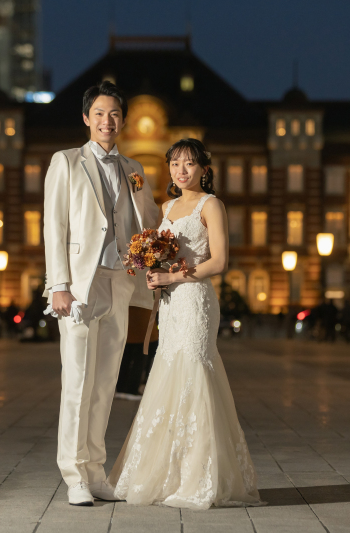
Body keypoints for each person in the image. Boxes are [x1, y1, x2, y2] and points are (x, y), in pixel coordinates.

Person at [109, 138, 263, 509]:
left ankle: (201, 477)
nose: (181, 170)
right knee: (168, 374)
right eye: (175, 163)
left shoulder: (212, 205)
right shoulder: (167, 206)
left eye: (190, 164)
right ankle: (168, 475)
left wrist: (172, 278)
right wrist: (154, 271)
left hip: (195, 301)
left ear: (204, 170)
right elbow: (166, 257)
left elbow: (219, 261)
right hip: (171, 305)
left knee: (195, 371)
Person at [42, 81, 159, 506]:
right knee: (76, 383)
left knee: (105, 383)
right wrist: (59, 285)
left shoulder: (133, 168)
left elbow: (148, 222)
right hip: (79, 286)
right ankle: (73, 475)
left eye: (114, 115)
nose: (107, 121)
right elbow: (54, 227)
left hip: (120, 282)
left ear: (122, 121)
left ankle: (95, 473)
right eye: (100, 113)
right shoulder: (67, 162)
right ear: (87, 118)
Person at [115, 306, 158, 400]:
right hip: (142, 320)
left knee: (125, 357)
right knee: (139, 358)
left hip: (130, 320)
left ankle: (122, 387)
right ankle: (132, 388)